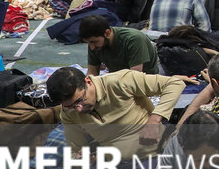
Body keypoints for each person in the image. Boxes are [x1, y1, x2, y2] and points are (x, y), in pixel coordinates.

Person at [47, 65, 184, 159]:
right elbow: (75, 151)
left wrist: (154, 120)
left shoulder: (120, 81)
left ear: (88, 82)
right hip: (112, 164)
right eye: (71, 106)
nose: (78, 109)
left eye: (80, 100)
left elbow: (174, 84)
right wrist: (81, 160)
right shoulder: (68, 113)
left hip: (150, 158)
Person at [81, 14, 160, 75]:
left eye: (94, 42)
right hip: (118, 80)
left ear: (107, 33)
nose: (91, 47)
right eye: (88, 43)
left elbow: (135, 77)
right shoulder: (95, 44)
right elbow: (92, 73)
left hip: (144, 83)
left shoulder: (133, 39)